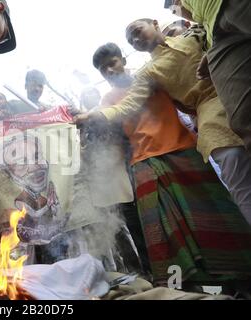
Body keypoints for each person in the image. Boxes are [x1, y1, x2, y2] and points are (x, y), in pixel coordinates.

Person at [75, 21, 251, 289]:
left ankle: (240, 278)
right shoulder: (108, 100)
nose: (109, 70)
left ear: (124, 59)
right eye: (102, 69)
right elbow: (114, 128)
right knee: (165, 233)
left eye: (112, 62)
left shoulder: (153, 74)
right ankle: (183, 288)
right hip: (144, 162)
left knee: (214, 214)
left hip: (184, 149)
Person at [164, 0, 251, 154]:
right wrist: (210, 53)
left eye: (175, 12)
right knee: (242, 118)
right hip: (219, 36)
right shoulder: (205, 28)